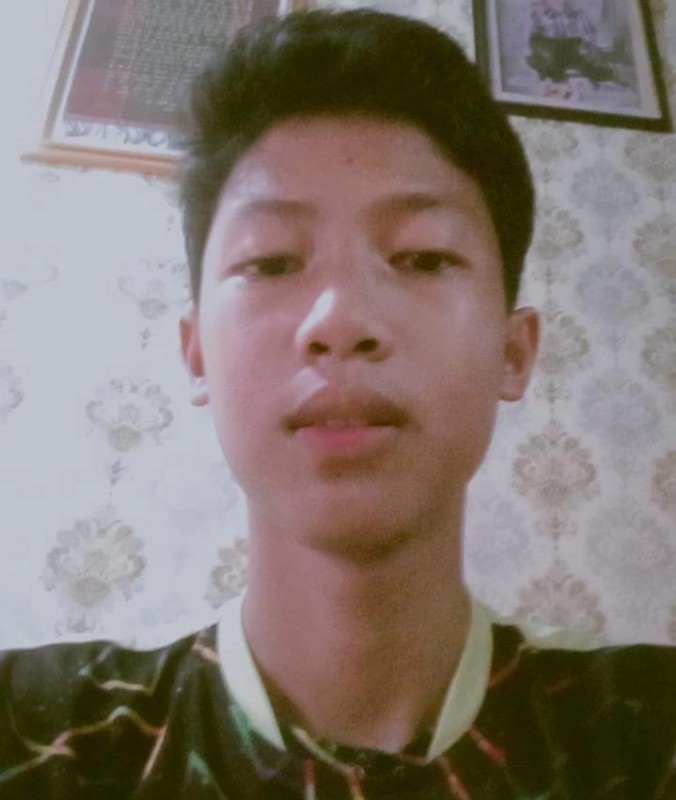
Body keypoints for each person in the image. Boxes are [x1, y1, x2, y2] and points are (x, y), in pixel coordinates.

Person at [0, 8, 674, 799]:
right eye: (271, 261)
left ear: (513, 350)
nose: (340, 319)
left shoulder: (644, 730)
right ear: (197, 351)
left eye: (422, 256)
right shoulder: (37, 733)